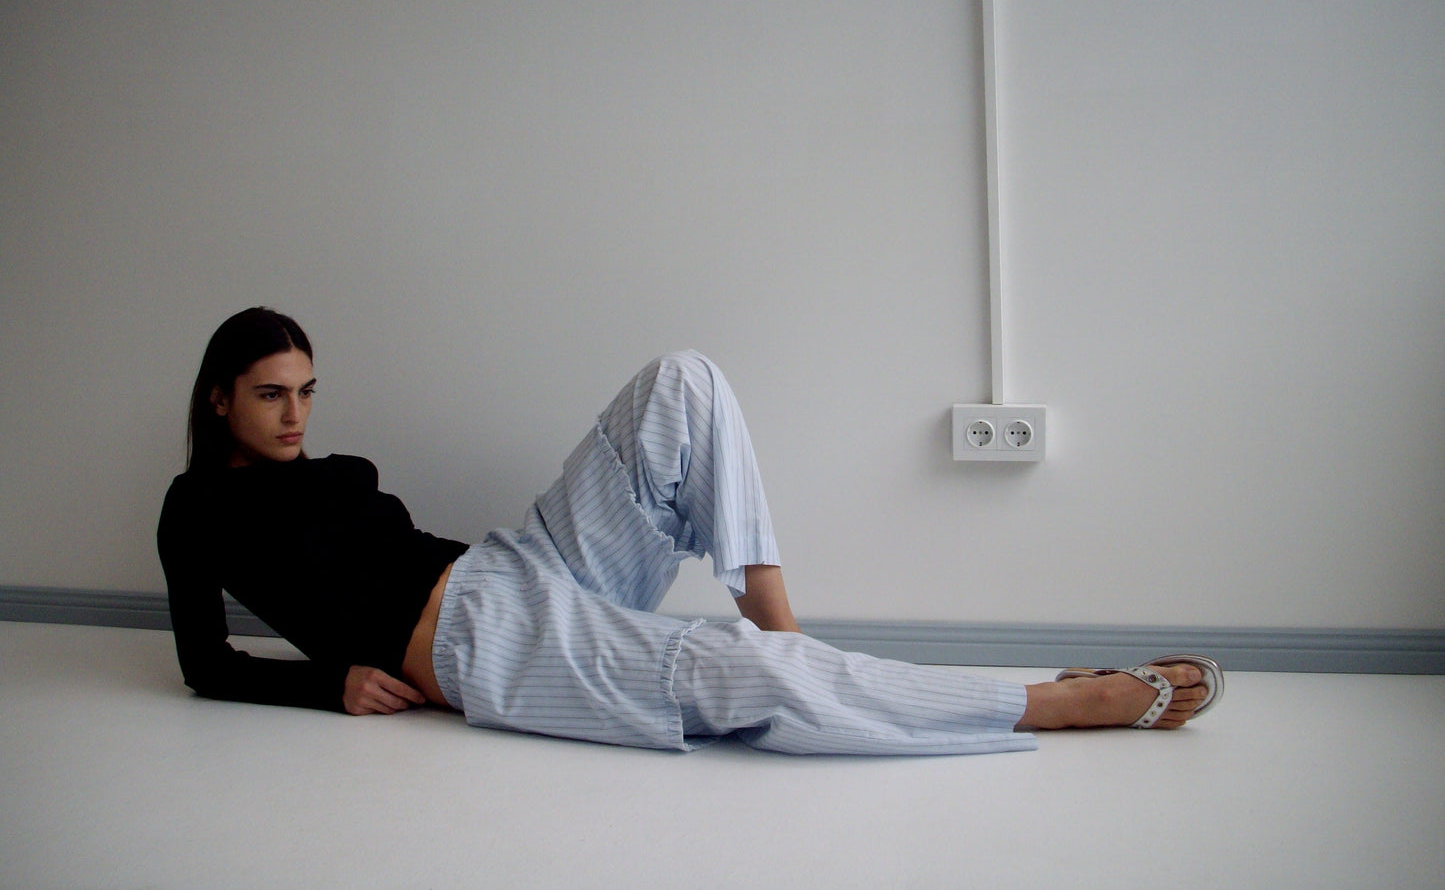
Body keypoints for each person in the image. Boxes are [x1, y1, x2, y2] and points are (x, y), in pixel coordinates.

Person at [158, 307, 1221, 756]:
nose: (295, 414)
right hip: (484, 651)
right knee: (727, 676)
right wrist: (333, 677)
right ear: (217, 401)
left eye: (305, 389)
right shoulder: (195, 508)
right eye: (268, 394)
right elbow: (206, 663)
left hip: (514, 564)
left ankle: (782, 626)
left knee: (683, 382)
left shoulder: (339, 470)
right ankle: (1054, 702)